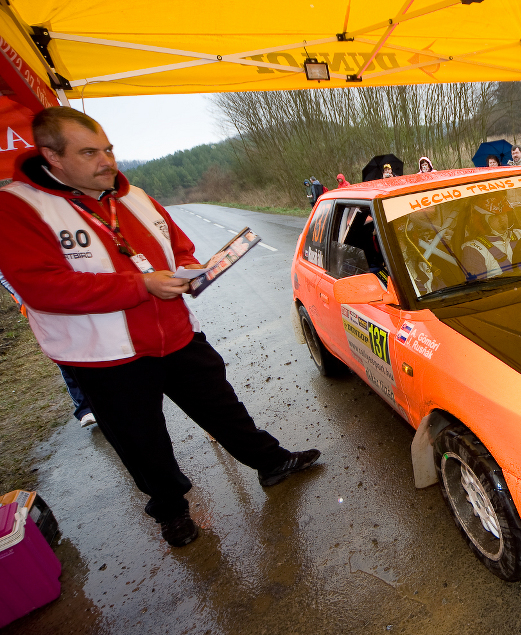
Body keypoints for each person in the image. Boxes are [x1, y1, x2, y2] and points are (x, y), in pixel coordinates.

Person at [0, 108, 321, 548]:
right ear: (52, 156)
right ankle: (171, 511)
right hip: (106, 357)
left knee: (223, 407)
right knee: (141, 441)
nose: (107, 161)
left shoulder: (134, 195)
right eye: (90, 152)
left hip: (178, 334)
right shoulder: (18, 207)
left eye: (109, 149)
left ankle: (272, 462)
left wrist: (189, 269)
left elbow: (179, 245)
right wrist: (142, 285)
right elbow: (42, 287)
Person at [1, 269, 96, 426]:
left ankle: (102, 396)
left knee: (87, 341)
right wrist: (26, 299)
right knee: (62, 354)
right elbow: (5, 275)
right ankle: (85, 408)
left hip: (64, 291)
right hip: (37, 305)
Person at [460, 194, 521, 281]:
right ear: (483, 221)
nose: (502, 220)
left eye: (504, 214)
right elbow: (476, 287)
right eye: (495, 216)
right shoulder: (474, 250)